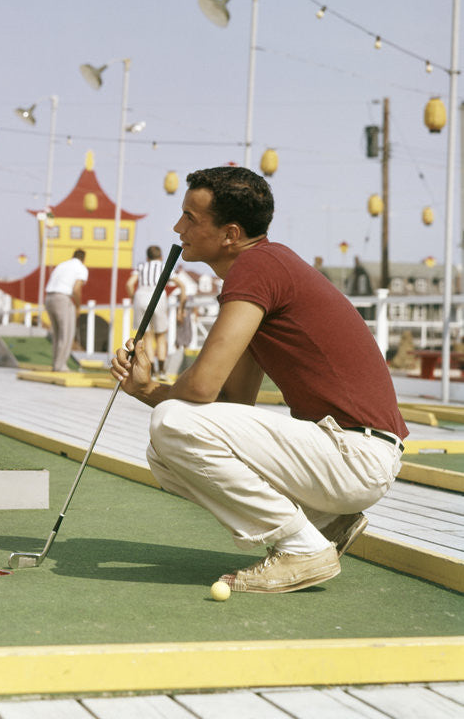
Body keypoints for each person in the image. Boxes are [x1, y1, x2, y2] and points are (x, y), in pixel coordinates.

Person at [111, 166, 407, 594]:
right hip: (352, 453)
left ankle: (303, 548)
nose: (179, 227)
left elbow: (200, 390)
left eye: (191, 218)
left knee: (172, 422)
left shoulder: (256, 267)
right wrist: (152, 391)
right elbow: (232, 400)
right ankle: (326, 523)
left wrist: (146, 390)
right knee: (164, 453)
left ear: (230, 234)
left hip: (355, 454)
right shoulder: (263, 265)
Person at [126, 245, 186, 376]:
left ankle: (152, 369)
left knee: (147, 335)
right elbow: (181, 285)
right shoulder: (164, 266)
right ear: (161, 256)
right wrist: (181, 307)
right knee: (160, 335)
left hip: (140, 296)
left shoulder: (141, 267)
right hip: (158, 297)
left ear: (147, 257)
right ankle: (162, 369)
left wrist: (133, 298)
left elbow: (130, 284)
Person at [44, 249, 88, 372]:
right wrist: (78, 307)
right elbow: (76, 289)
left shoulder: (62, 265)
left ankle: (55, 364)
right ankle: (60, 366)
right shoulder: (81, 268)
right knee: (67, 334)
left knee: (57, 334)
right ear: (83, 259)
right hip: (62, 298)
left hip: (49, 298)